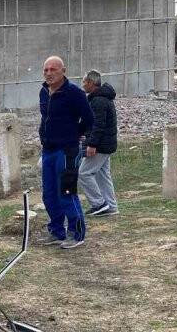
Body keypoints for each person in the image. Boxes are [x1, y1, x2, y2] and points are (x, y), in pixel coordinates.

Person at [38, 56, 93, 249]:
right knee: (49, 194)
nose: (49, 73)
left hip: (67, 150)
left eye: (53, 69)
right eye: (46, 70)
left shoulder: (75, 93)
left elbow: (89, 120)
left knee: (66, 193)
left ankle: (76, 233)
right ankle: (56, 231)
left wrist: (74, 135)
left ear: (63, 71)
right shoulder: (43, 92)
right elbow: (45, 119)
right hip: (48, 150)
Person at [79, 70, 118, 216]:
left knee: (83, 173)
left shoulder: (98, 100)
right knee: (103, 175)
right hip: (106, 144)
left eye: (84, 82)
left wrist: (92, 144)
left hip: (101, 145)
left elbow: (98, 125)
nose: (83, 85)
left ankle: (99, 203)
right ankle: (111, 206)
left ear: (91, 83)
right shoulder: (101, 98)